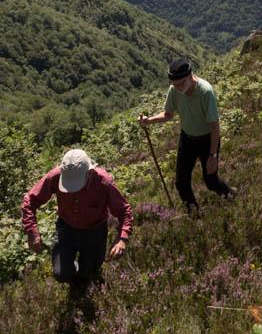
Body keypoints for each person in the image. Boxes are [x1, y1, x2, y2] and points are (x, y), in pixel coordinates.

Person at [22, 149, 132, 292]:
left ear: (89, 173)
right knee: (62, 274)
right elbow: (29, 200)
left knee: (89, 274)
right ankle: (71, 270)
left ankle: (81, 279)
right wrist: (32, 232)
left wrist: (122, 238)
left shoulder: (103, 182)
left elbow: (124, 210)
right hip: (66, 230)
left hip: (95, 233)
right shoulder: (55, 176)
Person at [139, 59, 235, 211]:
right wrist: (149, 121)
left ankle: (231, 197)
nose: (178, 87)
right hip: (187, 139)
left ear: (191, 77)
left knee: (211, 182)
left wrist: (213, 156)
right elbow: (168, 114)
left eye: (181, 83)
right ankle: (194, 214)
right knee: (181, 183)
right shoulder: (175, 90)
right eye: (175, 84)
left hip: (207, 140)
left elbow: (215, 127)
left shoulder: (205, 92)